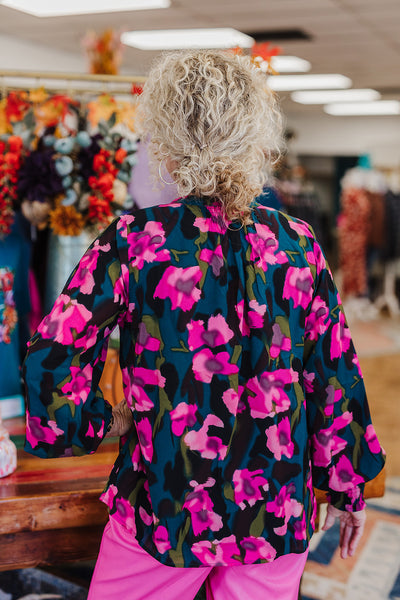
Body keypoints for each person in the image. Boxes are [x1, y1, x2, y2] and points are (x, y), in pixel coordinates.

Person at [23, 50, 385, 600]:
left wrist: (104, 421)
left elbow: (53, 356)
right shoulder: (297, 244)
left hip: (164, 503)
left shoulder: (135, 242)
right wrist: (347, 485)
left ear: (165, 138)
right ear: (256, 135)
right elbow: (332, 372)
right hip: (274, 508)